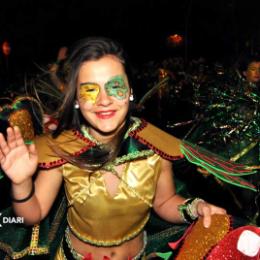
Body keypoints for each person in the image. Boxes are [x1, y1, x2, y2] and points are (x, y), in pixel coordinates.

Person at [0, 37, 227, 259]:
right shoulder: (62, 149)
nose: (104, 100)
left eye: (115, 86)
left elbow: (164, 202)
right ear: (77, 99)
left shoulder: (154, 144)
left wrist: (196, 207)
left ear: (129, 92)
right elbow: (31, 216)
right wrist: (21, 183)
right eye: (90, 90)